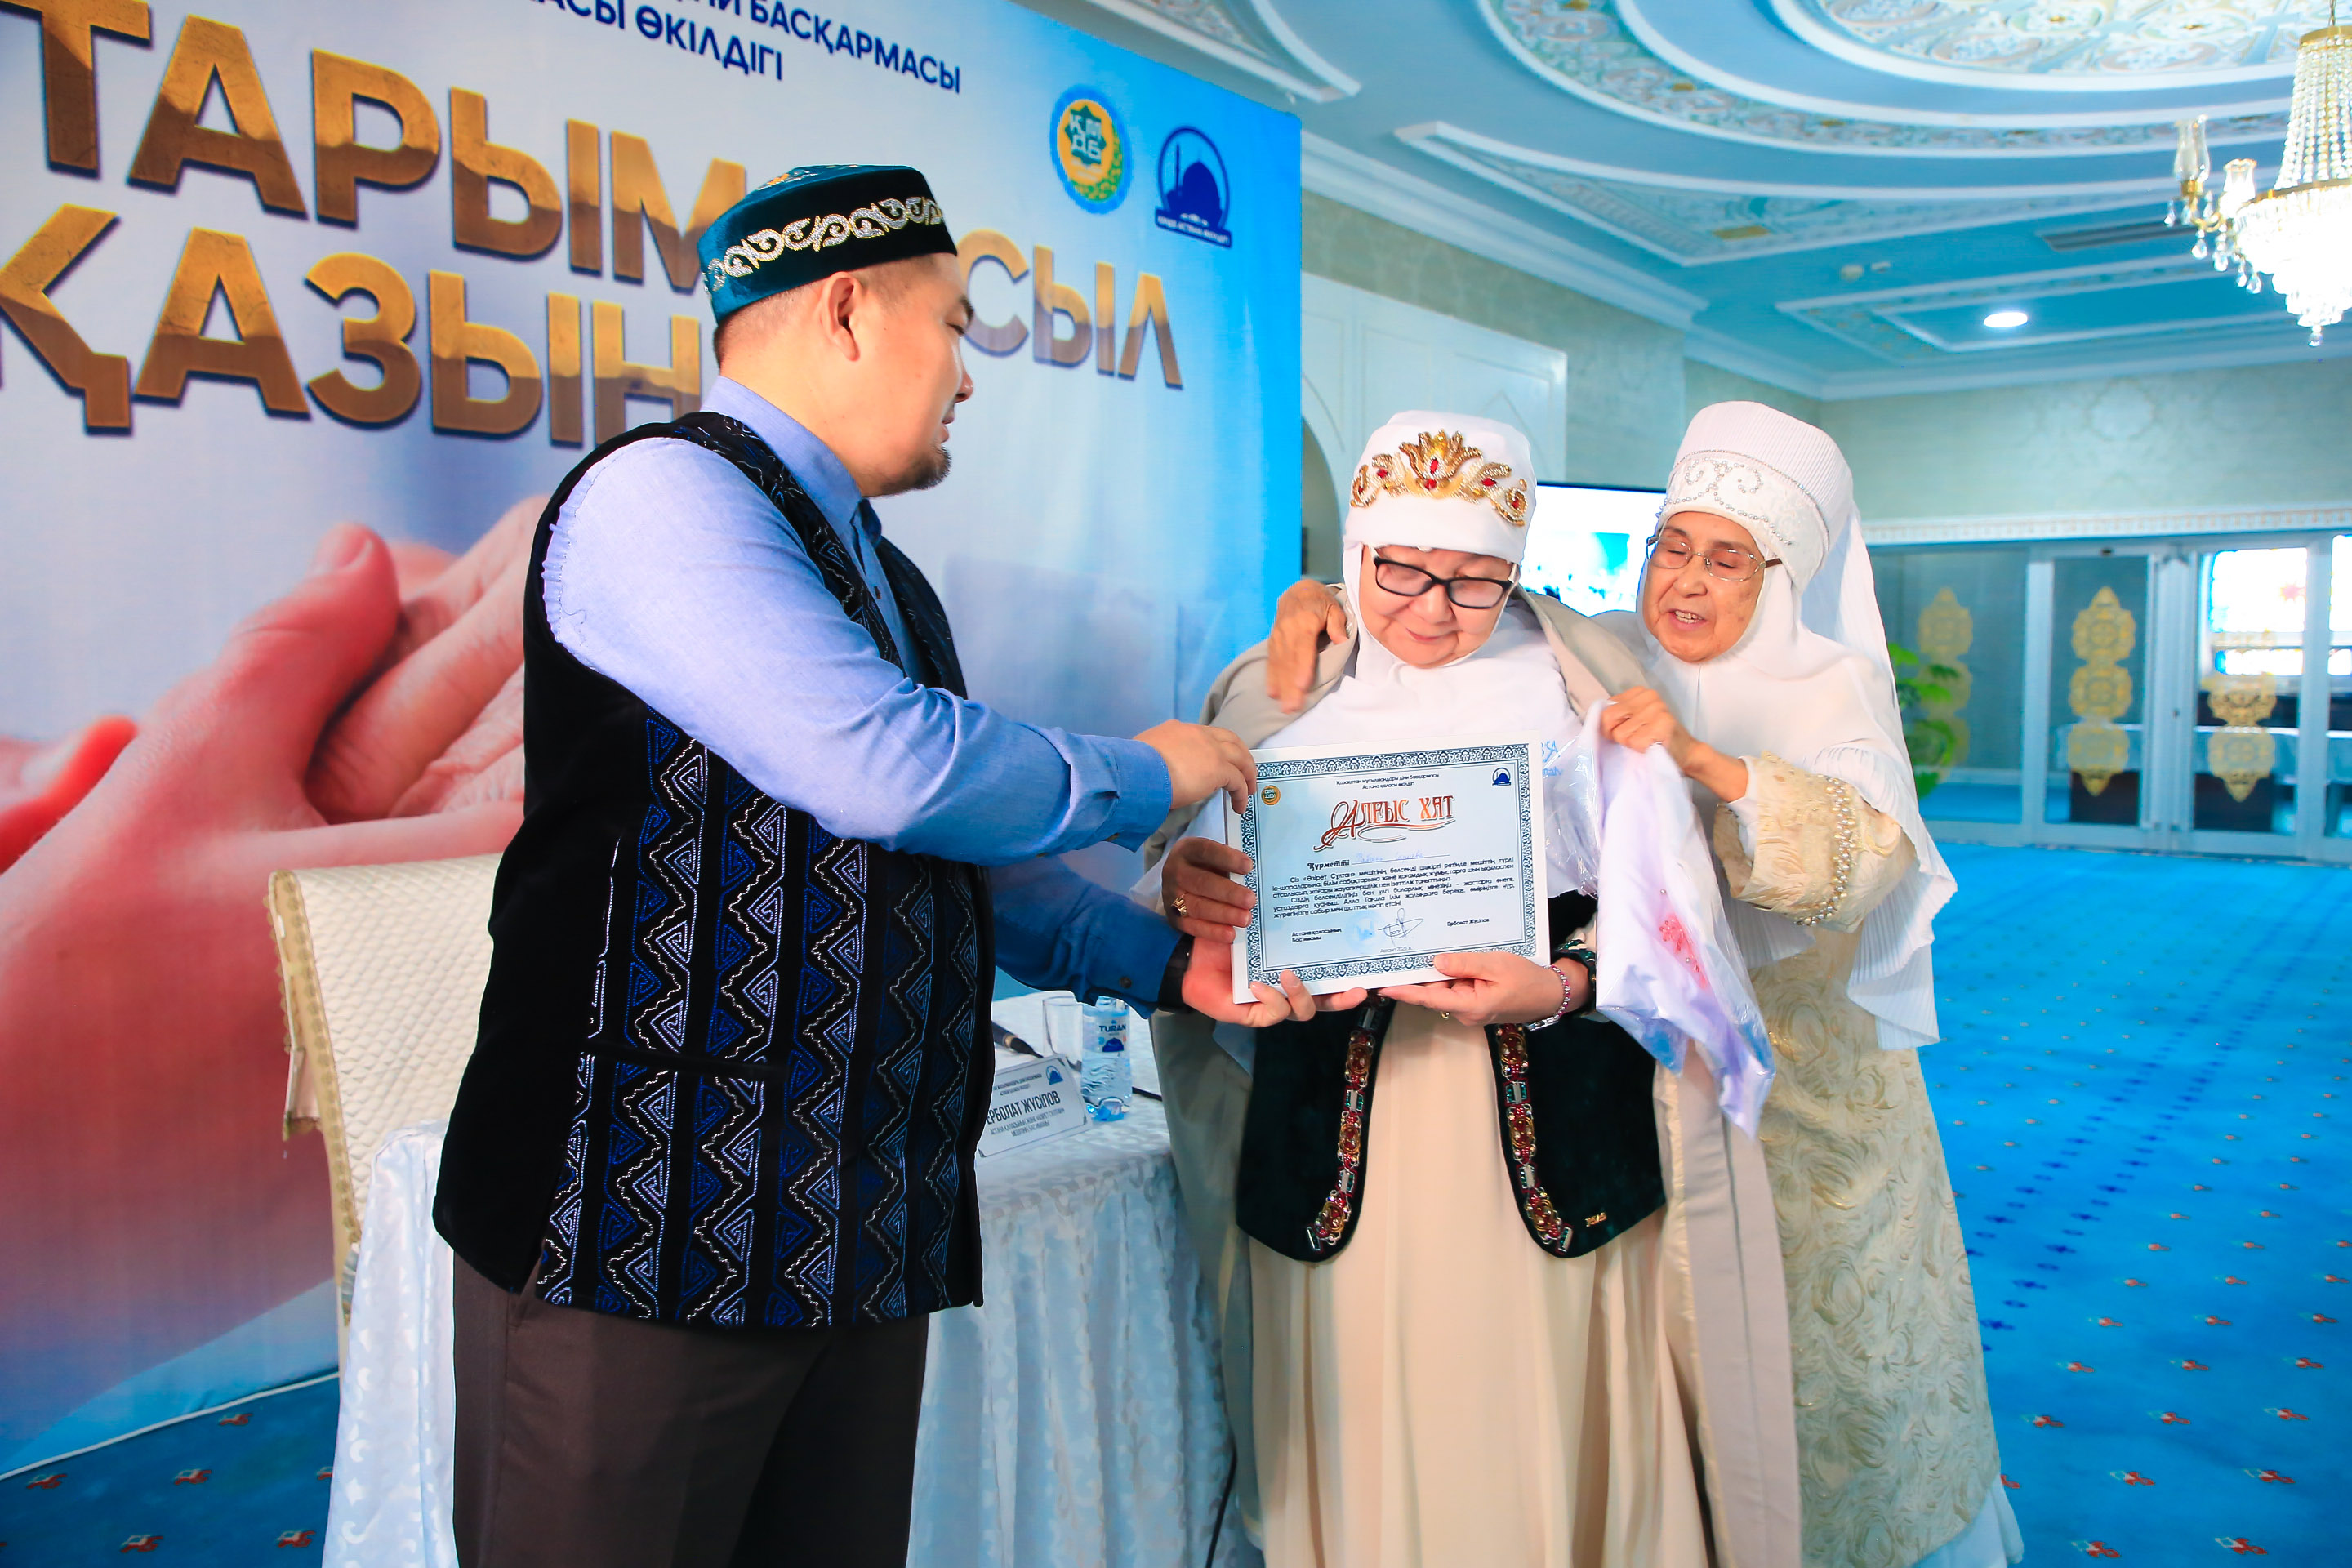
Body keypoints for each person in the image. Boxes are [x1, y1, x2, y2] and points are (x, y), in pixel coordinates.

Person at [429, 164, 1312, 1568]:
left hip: (855, 1232)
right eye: (954, 326)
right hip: (642, 1238)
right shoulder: (664, 495)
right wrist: (1152, 771)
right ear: (845, 310)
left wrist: (1165, 962)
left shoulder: (890, 581)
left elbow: (951, 850)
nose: (967, 374)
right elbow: (886, 769)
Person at [1261, 401, 2015, 1568]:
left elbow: (1859, 865)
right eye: (1672, 546)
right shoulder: (1601, 651)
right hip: (1646, 1084)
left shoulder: (1831, 690)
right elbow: (1447, 591)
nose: (1686, 582)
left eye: (1728, 560)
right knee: (1660, 1372)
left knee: (1812, 1385)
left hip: (1793, 1101)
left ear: (1787, 576)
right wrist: (1322, 595)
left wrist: (1699, 759)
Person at [1148, 412, 1711, 1566]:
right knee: (1355, 1398)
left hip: (1543, 1128)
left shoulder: (1584, 684)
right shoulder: (1276, 687)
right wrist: (1190, 894)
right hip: (1335, 1127)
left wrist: (1562, 985)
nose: (1435, 611)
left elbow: (1674, 910)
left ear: (1518, 570)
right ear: (1356, 553)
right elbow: (1185, 874)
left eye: (1475, 581)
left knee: (1522, 1408)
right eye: (1401, 570)